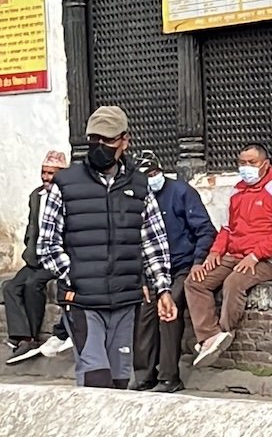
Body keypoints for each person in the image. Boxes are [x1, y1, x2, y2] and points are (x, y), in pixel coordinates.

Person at [37, 105, 177, 389]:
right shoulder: (65, 184)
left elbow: (153, 240)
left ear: (125, 140)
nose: (100, 146)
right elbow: (47, 243)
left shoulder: (139, 185)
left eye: (108, 140)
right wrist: (73, 274)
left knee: (120, 378)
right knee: (95, 377)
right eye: (94, 140)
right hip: (83, 300)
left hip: (125, 298)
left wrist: (163, 288)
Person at [185, 142, 272, 367]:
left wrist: (255, 256)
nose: (246, 167)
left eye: (252, 163)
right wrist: (215, 252)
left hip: (268, 259)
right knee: (195, 282)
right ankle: (209, 336)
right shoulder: (237, 191)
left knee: (234, 282)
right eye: (242, 163)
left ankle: (225, 332)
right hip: (234, 253)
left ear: (265, 165)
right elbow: (227, 229)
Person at [133, 150, 217, 393]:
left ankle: (169, 376)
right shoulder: (136, 199)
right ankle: (143, 375)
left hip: (182, 265)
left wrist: (198, 261)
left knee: (169, 310)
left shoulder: (181, 192)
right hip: (153, 269)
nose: (153, 177)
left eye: (155, 172)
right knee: (144, 311)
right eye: (147, 175)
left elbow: (204, 230)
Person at [4, 150, 73, 364]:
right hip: (35, 256)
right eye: (43, 172)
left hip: (55, 258)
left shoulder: (68, 196)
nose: (45, 177)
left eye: (51, 173)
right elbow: (32, 227)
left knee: (34, 285)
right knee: (10, 286)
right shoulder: (36, 196)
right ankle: (22, 336)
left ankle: (33, 334)